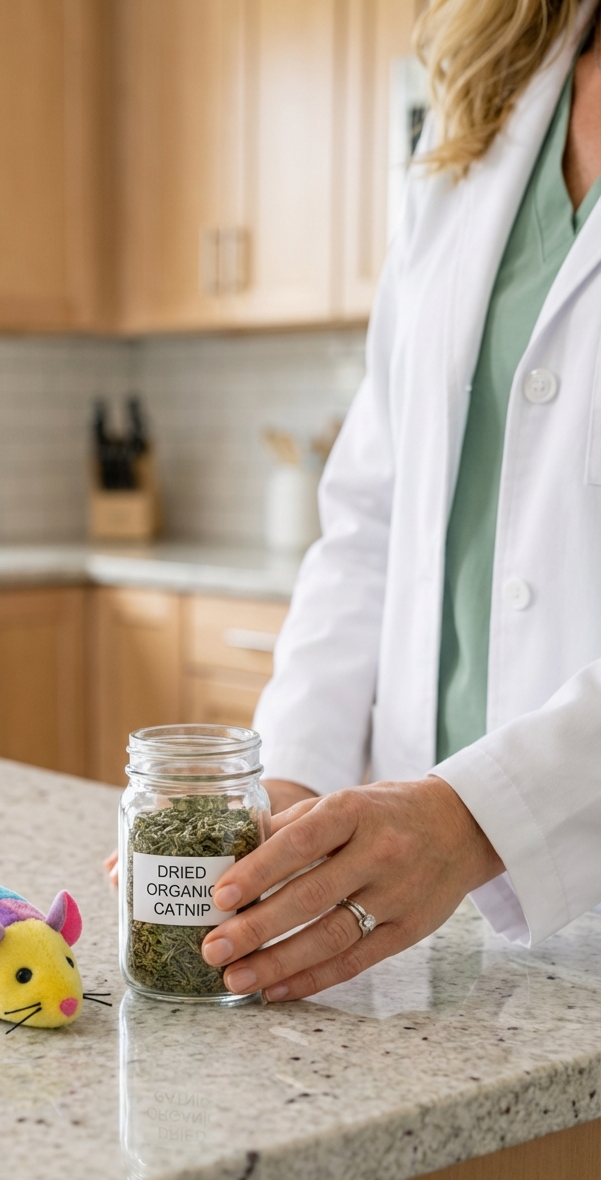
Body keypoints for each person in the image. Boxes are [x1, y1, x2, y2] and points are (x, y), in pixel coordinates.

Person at [198, 0, 601, 1002]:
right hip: (420, 931)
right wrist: (293, 778)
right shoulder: (494, 87)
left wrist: (479, 817)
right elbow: (372, 516)